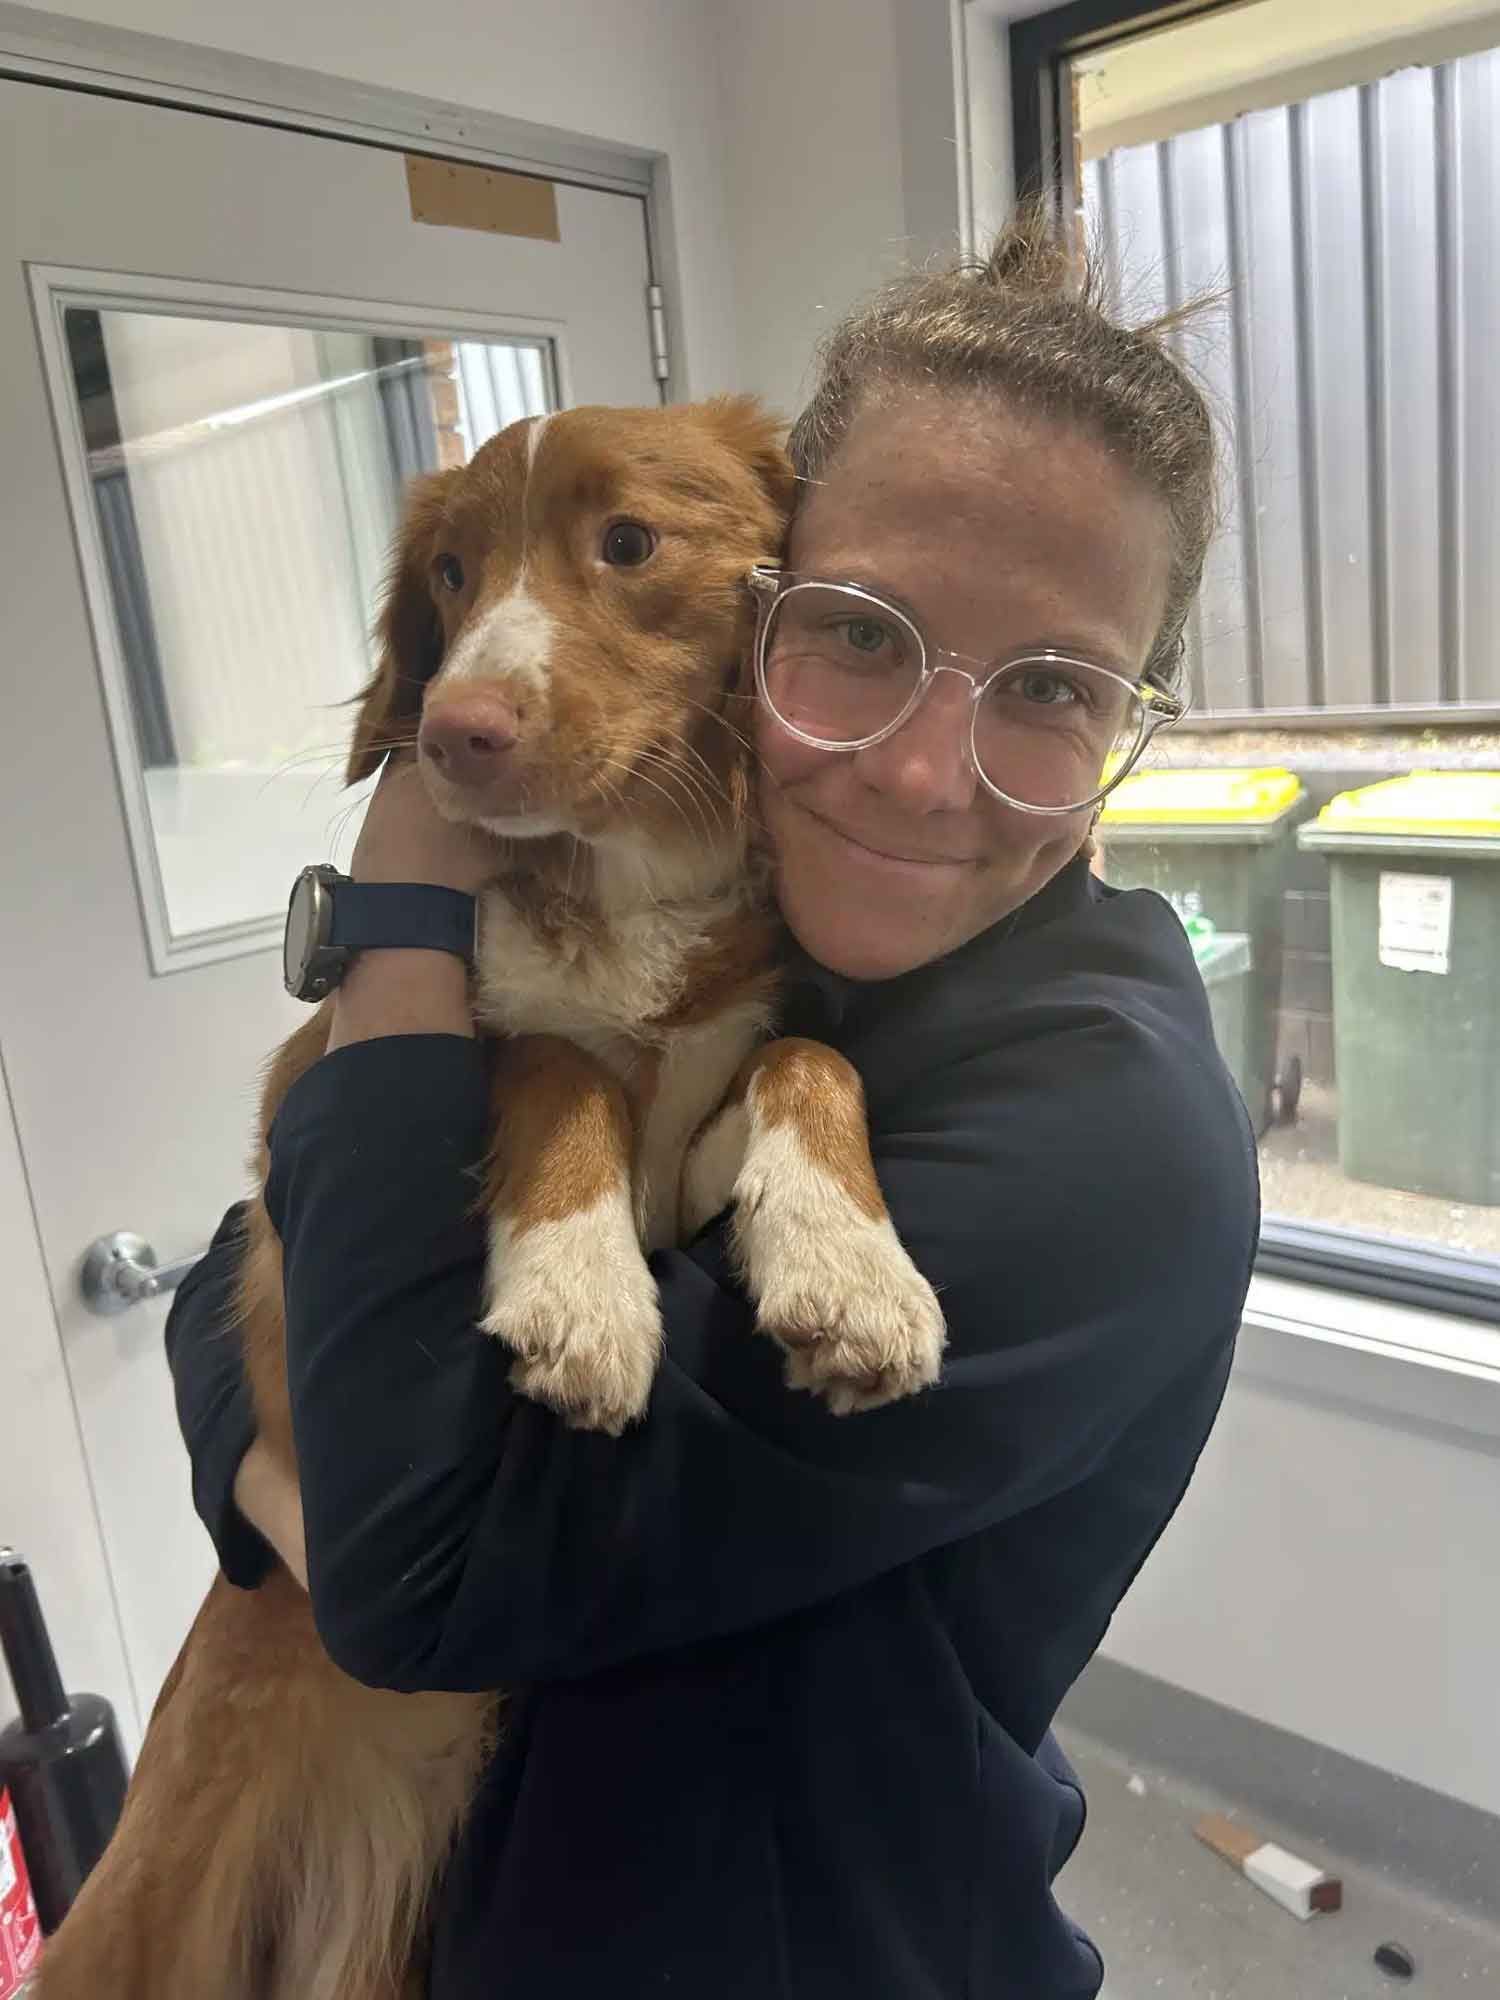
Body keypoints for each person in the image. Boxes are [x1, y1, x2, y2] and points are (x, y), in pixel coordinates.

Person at [166, 211, 1259, 2000]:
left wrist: (392, 910)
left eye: (1053, 689)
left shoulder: (1108, 1135)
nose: (918, 769)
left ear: (1130, 718)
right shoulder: (789, 949)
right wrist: (261, 1449)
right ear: (767, 614)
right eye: (863, 635)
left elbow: (413, 1569)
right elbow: (244, 1273)